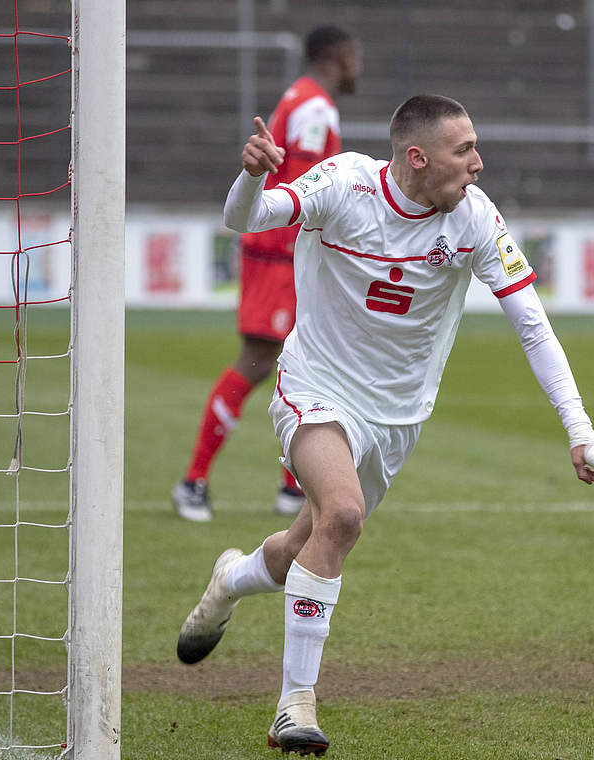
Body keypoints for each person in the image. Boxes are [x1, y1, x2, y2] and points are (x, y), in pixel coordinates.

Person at [176, 95, 594, 755]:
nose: (478, 162)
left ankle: (231, 581)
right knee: (344, 514)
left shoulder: (474, 218)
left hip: (397, 419)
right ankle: (293, 707)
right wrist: (251, 175)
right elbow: (244, 218)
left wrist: (580, 431)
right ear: (418, 158)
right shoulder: (344, 184)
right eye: (463, 150)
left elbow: (531, 324)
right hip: (317, 386)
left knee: (305, 544)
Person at [172, 25, 363, 522]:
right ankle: (193, 481)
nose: (359, 67)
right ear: (340, 57)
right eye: (355, 57)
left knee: (308, 357)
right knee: (258, 359)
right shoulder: (315, 108)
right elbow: (306, 188)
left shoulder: (302, 98)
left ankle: (292, 488)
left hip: (281, 253)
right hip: (280, 253)